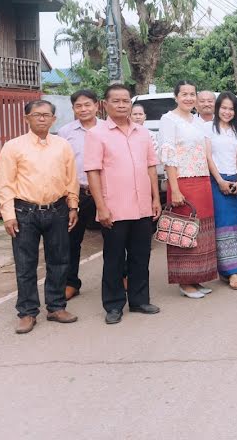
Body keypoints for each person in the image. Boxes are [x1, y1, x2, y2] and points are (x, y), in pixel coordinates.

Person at [0, 99, 79, 334]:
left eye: (46, 115)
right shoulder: (13, 146)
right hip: (24, 212)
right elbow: (4, 184)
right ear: (26, 119)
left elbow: (71, 178)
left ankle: (56, 307)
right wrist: (8, 214)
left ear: (53, 119)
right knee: (25, 264)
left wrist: (73, 206)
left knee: (60, 261)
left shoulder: (62, 145)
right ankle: (28, 312)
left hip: (57, 209)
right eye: (36, 115)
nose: (42, 118)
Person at [84, 84, 161, 324]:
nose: (121, 105)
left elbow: (151, 166)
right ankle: (114, 304)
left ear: (131, 104)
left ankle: (139, 300)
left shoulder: (142, 133)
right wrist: (101, 207)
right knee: (114, 258)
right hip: (114, 208)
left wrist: (156, 198)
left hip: (142, 207)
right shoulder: (96, 134)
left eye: (125, 101)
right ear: (104, 105)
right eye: (115, 101)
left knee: (141, 255)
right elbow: (93, 172)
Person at [159, 81, 219, 299]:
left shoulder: (197, 121)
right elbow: (169, 155)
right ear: (176, 97)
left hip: (202, 180)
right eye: (184, 94)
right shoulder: (169, 120)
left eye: (192, 94)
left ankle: (197, 276)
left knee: (201, 230)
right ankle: (185, 281)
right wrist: (174, 188)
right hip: (182, 181)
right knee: (184, 230)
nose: (188, 98)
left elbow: (206, 153)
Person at [56, 89, 100, 301]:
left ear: (97, 106)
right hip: (77, 193)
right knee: (72, 241)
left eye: (87, 105)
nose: (83, 109)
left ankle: (121, 276)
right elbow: (61, 165)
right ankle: (71, 283)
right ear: (73, 109)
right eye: (78, 106)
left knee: (115, 239)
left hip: (105, 193)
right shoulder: (65, 132)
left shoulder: (108, 129)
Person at [204, 92, 237, 290]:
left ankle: (234, 269)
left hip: (235, 181)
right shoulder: (208, 129)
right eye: (224, 108)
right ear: (217, 108)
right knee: (221, 226)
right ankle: (228, 271)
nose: (227, 112)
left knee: (235, 226)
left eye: (231, 109)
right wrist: (220, 180)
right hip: (217, 181)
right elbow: (209, 157)